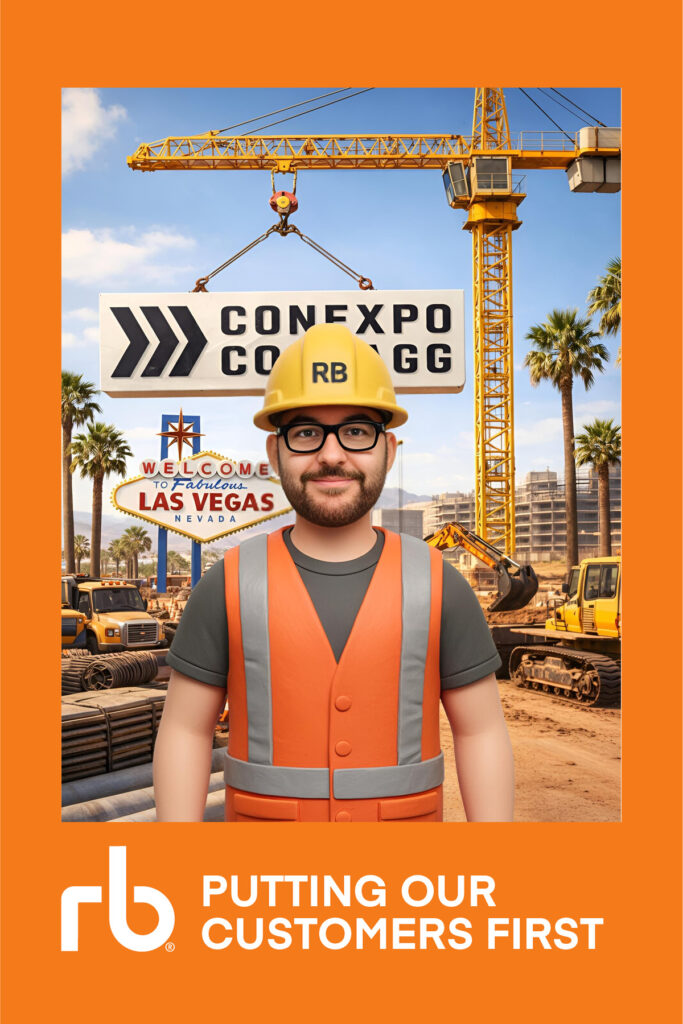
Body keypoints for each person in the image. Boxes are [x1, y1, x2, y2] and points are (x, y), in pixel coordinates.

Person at [153, 323, 514, 822]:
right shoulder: (225, 585)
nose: (330, 454)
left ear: (389, 449)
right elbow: (184, 732)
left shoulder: (441, 585)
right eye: (305, 433)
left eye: (357, 431)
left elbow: (482, 732)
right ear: (274, 452)